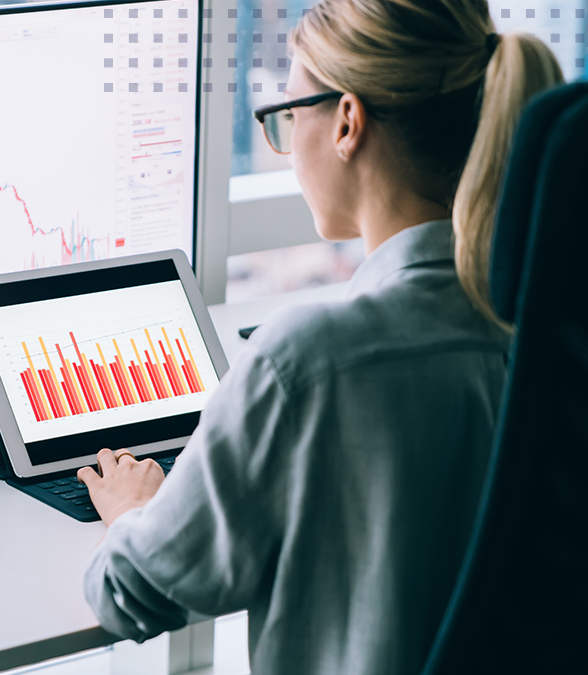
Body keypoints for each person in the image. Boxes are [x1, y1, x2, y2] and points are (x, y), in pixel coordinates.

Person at [77, 1, 564, 673]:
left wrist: (131, 511)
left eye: (288, 113)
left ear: (346, 121)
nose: (285, 139)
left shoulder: (307, 362)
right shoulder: (543, 330)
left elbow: (129, 593)